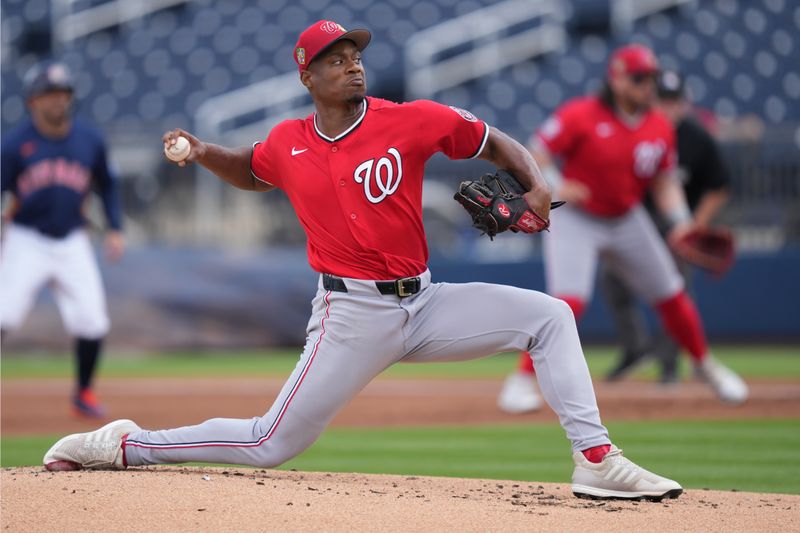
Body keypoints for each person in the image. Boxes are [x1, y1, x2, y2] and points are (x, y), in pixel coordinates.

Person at [43, 21, 682, 501]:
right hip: (349, 314)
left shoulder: (410, 121)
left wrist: (536, 185)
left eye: (356, 57)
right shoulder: (288, 143)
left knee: (549, 317)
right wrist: (203, 150)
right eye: (336, 60)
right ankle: (125, 444)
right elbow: (250, 170)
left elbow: (497, 142)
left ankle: (596, 460)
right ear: (307, 77)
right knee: (272, 443)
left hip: (426, 303)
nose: (353, 67)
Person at [497, 45, 747, 414]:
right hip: (578, 215)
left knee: (672, 294)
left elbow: (664, 182)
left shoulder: (659, 125)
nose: (648, 86)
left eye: (652, 78)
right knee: (569, 301)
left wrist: (681, 224)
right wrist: (554, 183)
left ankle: (704, 364)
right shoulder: (580, 114)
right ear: (616, 78)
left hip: (626, 216)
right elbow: (535, 151)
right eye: (639, 78)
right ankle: (519, 382)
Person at [1, 61, 125, 418]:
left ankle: (83, 392)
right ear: (32, 102)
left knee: (92, 320)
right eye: (49, 95)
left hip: (73, 238)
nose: (57, 101)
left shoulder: (89, 140)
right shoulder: (14, 145)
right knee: (3, 313)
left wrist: (115, 228)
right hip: (26, 238)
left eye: (62, 94)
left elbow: (109, 184)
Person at [603, 69, 731, 384]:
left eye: (674, 101)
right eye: (663, 100)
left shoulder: (697, 139)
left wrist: (694, 225)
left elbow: (720, 185)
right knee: (612, 281)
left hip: (677, 225)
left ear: (684, 104)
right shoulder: (637, 130)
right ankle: (636, 348)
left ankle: (669, 364)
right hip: (636, 220)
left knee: (674, 292)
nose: (668, 107)